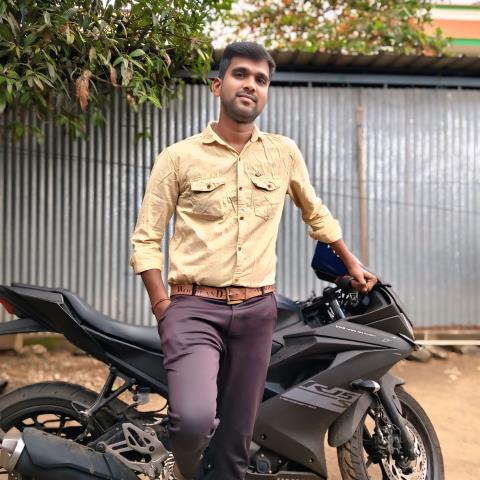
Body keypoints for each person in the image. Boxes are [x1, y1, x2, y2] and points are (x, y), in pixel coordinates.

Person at [129, 42, 377, 480]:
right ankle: (181, 471)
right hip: (193, 309)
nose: (251, 85)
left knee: (235, 442)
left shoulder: (282, 153)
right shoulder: (179, 157)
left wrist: (351, 263)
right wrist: (162, 305)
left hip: (257, 312)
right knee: (193, 422)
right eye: (240, 74)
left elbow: (316, 214)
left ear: (266, 93)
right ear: (217, 85)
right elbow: (146, 238)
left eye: (261, 80)